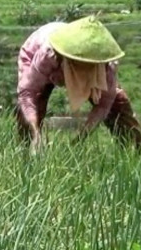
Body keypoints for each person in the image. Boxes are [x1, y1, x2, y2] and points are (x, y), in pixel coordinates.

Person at [16, 15, 141, 153]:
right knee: (32, 106)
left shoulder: (105, 65)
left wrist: (81, 138)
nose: (85, 67)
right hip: (37, 52)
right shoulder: (49, 54)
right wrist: (35, 132)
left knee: (118, 103)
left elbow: (104, 104)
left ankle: (135, 150)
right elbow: (28, 94)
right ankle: (29, 151)